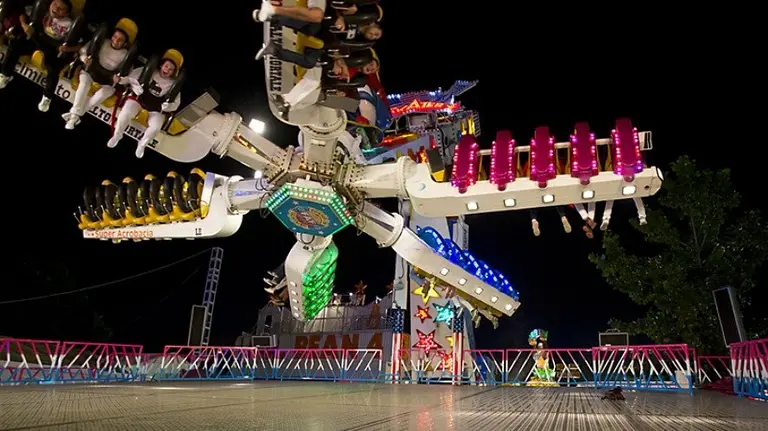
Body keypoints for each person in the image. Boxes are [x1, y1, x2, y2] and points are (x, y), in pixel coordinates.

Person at [0, 0, 82, 112]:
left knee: (54, 68)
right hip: (37, 38)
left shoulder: (70, 23)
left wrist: (68, 49)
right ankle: (5, 74)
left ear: (67, 14)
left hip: (53, 47)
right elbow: (22, 14)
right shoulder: (43, 11)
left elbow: (80, 45)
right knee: (16, 44)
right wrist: (25, 25)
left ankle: (47, 97)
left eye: (61, 8)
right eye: (55, 5)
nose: (56, 9)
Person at [108, 56, 182, 158]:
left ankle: (142, 144)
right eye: (166, 66)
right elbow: (130, 79)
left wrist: (166, 107)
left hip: (156, 108)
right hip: (139, 99)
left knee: (156, 127)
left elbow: (175, 104)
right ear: (161, 65)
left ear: (173, 73)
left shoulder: (173, 84)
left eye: (170, 70)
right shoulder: (147, 70)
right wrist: (120, 80)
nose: (167, 70)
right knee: (126, 113)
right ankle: (117, 135)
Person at [62, 26, 133, 130]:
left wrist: (120, 80)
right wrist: (84, 59)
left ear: (125, 44)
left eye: (120, 40)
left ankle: (74, 115)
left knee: (104, 93)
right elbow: (83, 51)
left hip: (107, 80)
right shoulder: (102, 42)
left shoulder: (126, 55)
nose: (116, 40)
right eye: (115, 36)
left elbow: (127, 77)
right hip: (92, 72)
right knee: (84, 84)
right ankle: (75, 117)